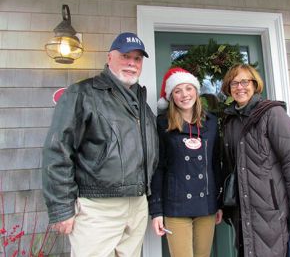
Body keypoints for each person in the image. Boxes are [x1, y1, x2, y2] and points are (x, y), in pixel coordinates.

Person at [42, 32, 159, 257]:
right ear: (109, 58)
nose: (131, 63)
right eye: (125, 56)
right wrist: (61, 207)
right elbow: (58, 150)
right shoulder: (83, 93)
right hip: (97, 206)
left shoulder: (141, 104)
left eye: (137, 59)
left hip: (137, 204)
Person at [220, 64, 290, 257]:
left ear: (255, 84)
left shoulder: (272, 114)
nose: (240, 87)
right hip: (243, 212)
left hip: (273, 212)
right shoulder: (229, 121)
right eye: (234, 83)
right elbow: (230, 168)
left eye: (245, 81)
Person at [149, 67, 223, 257]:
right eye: (177, 90)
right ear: (171, 96)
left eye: (188, 88)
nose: (184, 95)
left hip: (206, 206)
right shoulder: (162, 124)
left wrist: (219, 203)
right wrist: (156, 210)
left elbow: (215, 164)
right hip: (176, 206)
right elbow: (158, 168)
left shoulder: (212, 123)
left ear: (196, 91)